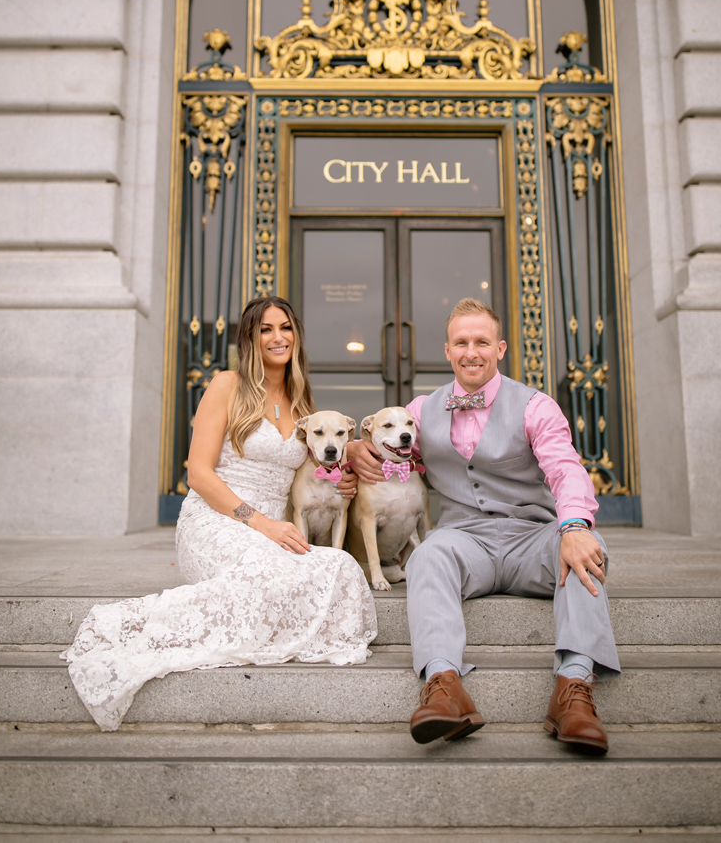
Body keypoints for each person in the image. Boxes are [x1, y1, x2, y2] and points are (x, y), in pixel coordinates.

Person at [64, 296, 376, 731]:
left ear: (296, 336)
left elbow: (323, 463)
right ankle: (142, 626)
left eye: (285, 327)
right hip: (218, 518)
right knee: (262, 575)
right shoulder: (227, 385)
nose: (277, 337)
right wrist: (260, 522)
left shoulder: (303, 403)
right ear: (249, 339)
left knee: (341, 567)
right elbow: (198, 473)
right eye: (265, 329)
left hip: (276, 528)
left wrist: (346, 469)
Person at [347, 297, 619, 752]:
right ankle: (443, 684)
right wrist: (358, 448)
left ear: (501, 349)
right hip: (464, 540)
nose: (471, 351)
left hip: (533, 535)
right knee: (428, 555)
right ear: (448, 352)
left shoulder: (535, 406)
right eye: (461, 343)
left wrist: (573, 527)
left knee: (589, 550)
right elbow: (389, 447)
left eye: (481, 342)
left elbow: (565, 468)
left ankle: (573, 691)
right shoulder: (421, 410)